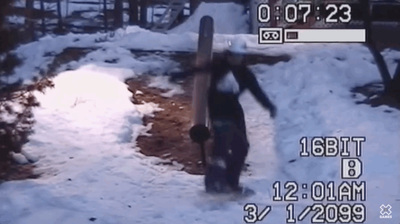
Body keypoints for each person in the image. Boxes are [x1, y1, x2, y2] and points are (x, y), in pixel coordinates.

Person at [170, 38, 277, 194]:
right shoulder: (218, 66)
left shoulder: (245, 73)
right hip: (218, 111)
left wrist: (269, 106)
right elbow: (200, 69)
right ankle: (214, 184)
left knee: (241, 148)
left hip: (234, 111)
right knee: (221, 146)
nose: (236, 59)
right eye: (233, 55)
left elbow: (257, 91)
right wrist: (181, 74)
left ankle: (231, 183)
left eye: (239, 56)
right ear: (228, 54)